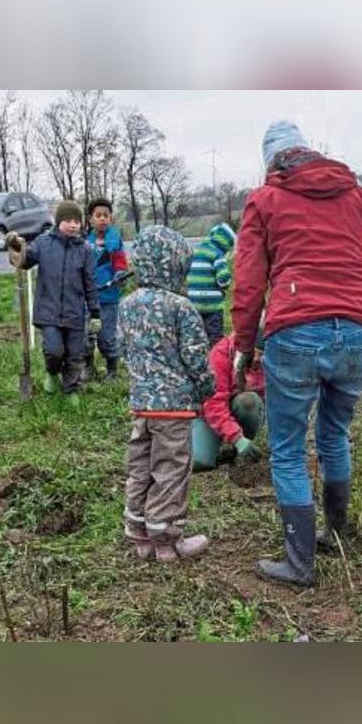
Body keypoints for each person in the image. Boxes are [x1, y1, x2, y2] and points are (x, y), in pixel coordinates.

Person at [231, 119, 362, 588]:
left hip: (295, 331)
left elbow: (250, 281)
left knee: (289, 450)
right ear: (308, 152)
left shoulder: (265, 200)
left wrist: (244, 345)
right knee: (334, 435)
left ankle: (300, 563)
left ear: (272, 160)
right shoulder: (359, 199)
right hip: (356, 331)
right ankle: (336, 531)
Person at [117, 224, 216, 563]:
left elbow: (121, 349)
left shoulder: (126, 305)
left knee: (140, 466)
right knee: (171, 469)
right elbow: (195, 357)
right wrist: (206, 388)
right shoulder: (181, 307)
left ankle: (140, 535)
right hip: (174, 408)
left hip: (141, 405)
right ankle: (167, 540)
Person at [7, 201, 99, 401]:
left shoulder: (86, 250)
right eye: (67, 220)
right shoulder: (43, 243)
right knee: (54, 350)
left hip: (75, 312)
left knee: (75, 353)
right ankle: (51, 372)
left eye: (77, 221)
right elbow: (25, 261)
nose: (73, 225)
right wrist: (16, 248)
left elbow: (90, 283)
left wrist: (95, 312)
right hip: (48, 311)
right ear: (58, 222)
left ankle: (71, 389)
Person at [192, 329, 266, 471]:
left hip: (239, 406)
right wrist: (236, 437)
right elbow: (213, 404)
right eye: (253, 354)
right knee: (200, 461)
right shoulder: (221, 353)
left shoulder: (274, 359)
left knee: (249, 402)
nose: (257, 359)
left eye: (261, 356)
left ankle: (239, 448)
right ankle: (233, 441)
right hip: (209, 413)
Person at [84, 197, 128, 381]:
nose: (102, 219)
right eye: (98, 215)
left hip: (109, 298)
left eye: (106, 215)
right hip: (87, 298)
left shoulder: (115, 242)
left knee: (106, 337)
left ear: (111, 218)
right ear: (90, 219)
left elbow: (121, 264)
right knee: (86, 336)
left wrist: (120, 274)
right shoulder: (85, 242)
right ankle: (88, 367)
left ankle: (112, 369)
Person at [188, 222, 237, 347]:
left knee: (198, 335)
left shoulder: (198, 251)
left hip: (194, 304)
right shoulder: (217, 254)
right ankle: (215, 357)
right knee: (215, 336)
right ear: (226, 243)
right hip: (213, 305)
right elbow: (223, 279)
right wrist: (226, 284)